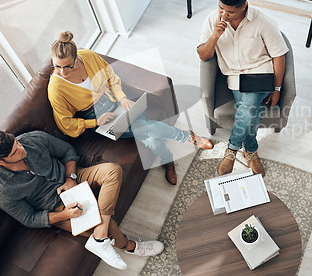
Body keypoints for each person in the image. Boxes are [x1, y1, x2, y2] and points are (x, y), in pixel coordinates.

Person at [0, 129, 164, 270]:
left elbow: (67, 151)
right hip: (56, 207)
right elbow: (29, 219)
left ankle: (99, 238)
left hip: (71, 177)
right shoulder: (1, 190)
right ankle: (131, 247)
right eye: (15, 153)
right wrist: (65, 214)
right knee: (102, 222)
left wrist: (70, 178)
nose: (22, 149)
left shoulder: (32, 139)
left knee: (112, 171)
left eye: (17, 143)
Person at [47, 31, 213, 185]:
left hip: (115, 100)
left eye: (66, 66)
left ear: (76, 58)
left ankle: (168, 160)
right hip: (96, 116)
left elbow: (111, 77)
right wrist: (95, 121)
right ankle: (188, 138)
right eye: (56, 66)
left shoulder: (88, 57)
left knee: (149, 137)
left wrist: (123, 98)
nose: (62, 72)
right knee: (145, 129)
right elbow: (65, 123)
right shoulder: (56, 88)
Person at [197, 0, 288, 177]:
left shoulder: (263, 22)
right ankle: (250, 149)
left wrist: (277, 89)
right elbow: (203, 55)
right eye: (221, 8)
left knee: (249, 105)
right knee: (251, 109)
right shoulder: (213, 20)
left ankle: (231, 150)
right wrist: (214, 36)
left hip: (261, 73)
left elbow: (279, 55)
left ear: (244, 6)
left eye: (229, 12)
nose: (223, 14)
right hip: (235, 76)